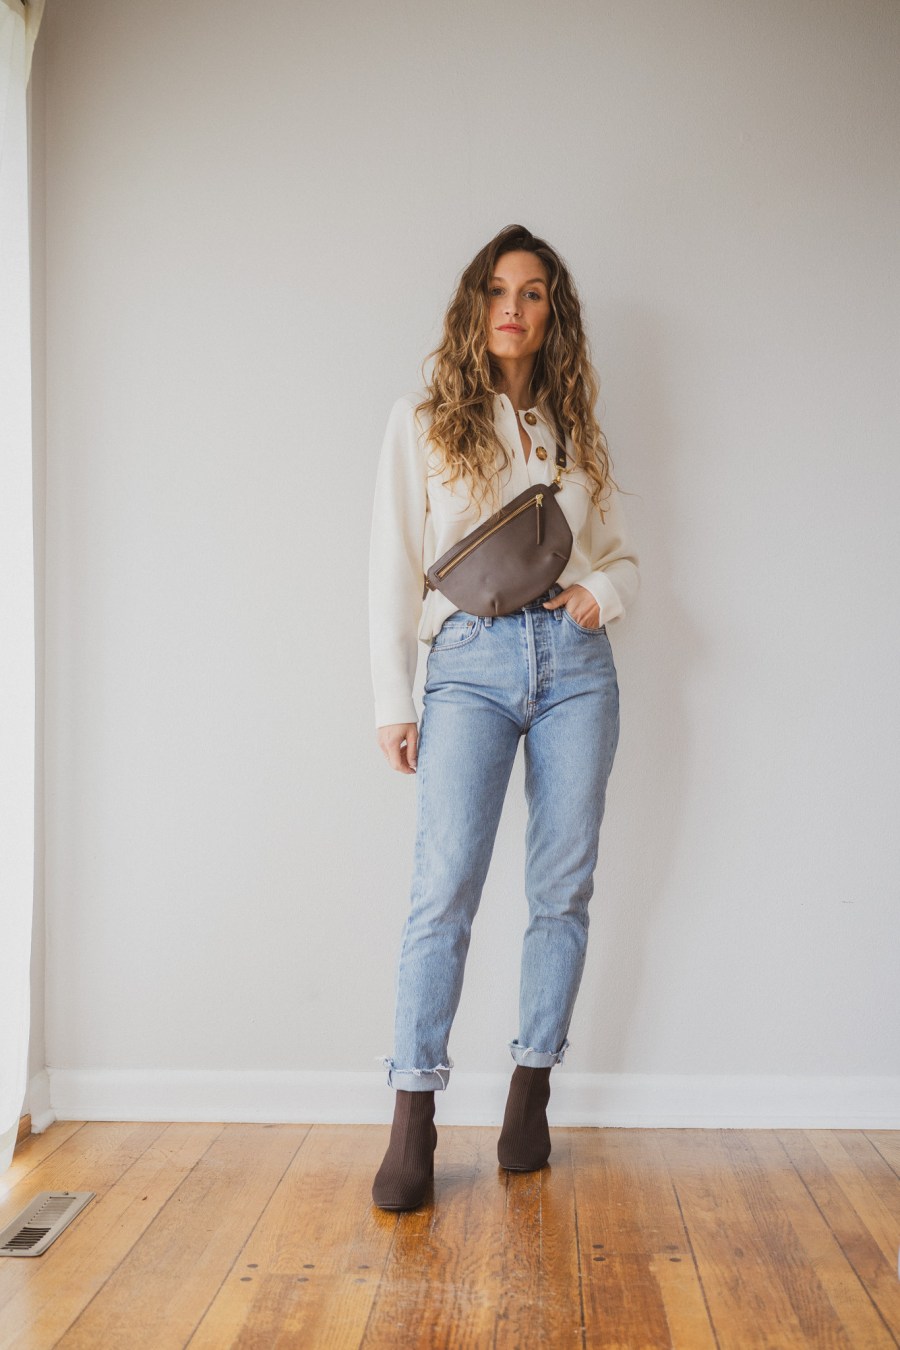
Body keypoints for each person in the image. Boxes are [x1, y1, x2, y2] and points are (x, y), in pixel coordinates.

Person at [367, 223, 640, 1210]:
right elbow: (391, 567)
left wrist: (598, 598)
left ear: (551, 314)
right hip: (469, 666)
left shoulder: (571, 435)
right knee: (442, 892)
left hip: (574, 666)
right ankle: (414, 1116)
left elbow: (620, 559)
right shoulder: (428, 419)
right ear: (474, 308)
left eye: (532, 293)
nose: (513, 309)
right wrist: (394, 699)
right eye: (497, 290)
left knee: (561, 890)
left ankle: (531, 1091)